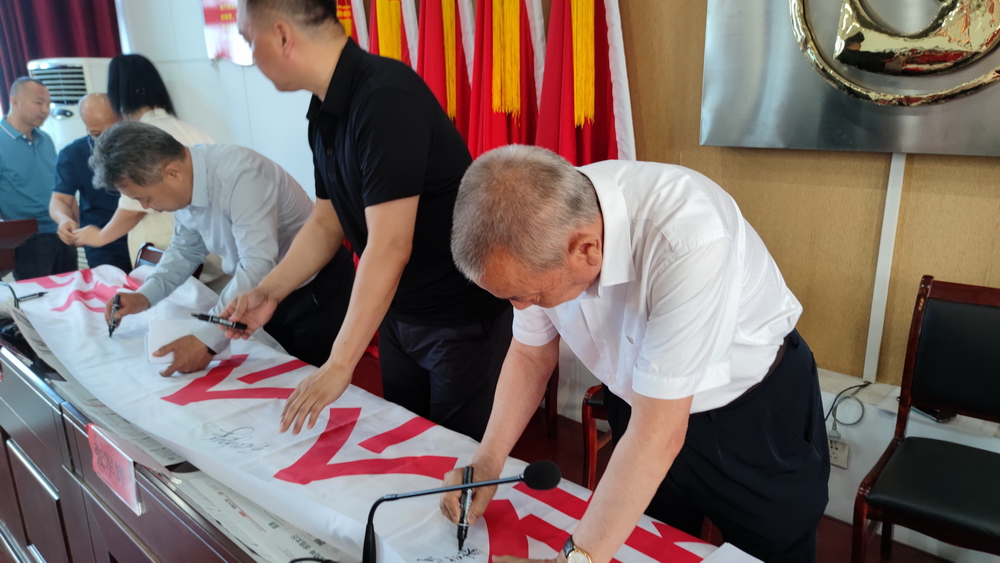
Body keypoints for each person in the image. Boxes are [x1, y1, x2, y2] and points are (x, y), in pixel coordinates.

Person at [440, 146, 830, 563]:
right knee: (649, 546)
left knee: (768, 552)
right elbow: (530, 355)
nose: (521, 307)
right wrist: (487, 462)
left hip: (748, 420)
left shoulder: (687, 237)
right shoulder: (543, 222)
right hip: (639, 411)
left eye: (529, 295)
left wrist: (571, 560)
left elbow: (659, 434)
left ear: (586, 250)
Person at [226, 0, 511, 441]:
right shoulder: (324, 111)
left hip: (458, 320)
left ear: (282, 36)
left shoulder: (384, 98)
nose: (250, 56)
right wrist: (269, 291)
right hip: (399, 314)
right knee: (404, 448)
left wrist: (341, 361)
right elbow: (327, 222)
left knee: (455, 454)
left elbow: (390, 245)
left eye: (249, 41)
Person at [95, 121, 353, 375]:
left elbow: (257, 265)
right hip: (260, 293)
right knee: (276, 374)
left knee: (310, 378)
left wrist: (206, 340)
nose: (145, 207)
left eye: (145, 198)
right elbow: (185, 250)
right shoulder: (186, 180)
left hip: (314, 289)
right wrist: (144, 296)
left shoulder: (240, 175)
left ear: (172, 173)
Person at [72, 53, 224, 289]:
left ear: (117, 95)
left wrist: (100, 237)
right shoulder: (192, 130)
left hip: (172, 255)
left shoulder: (141, 137)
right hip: (214, 252)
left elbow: (132, 208)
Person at [0, 77, 77, 280]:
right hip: (28, 239)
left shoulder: (46, 139)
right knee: (38, 296)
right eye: (38, 102)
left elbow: (61, 186)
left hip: (62, 229)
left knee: (71, 291)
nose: (45, 110)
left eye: (48, 104)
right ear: (14, 100)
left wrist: (75, 222)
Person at [48, 93, 131, 272]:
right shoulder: (73, 154)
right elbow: (60, 199)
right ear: (86, 127)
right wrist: (64, 219)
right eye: (97, 134)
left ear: (123, 119)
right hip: (102, 243)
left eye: (113, 132)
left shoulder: (139, 145)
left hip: (143, 236)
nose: (107, 141)